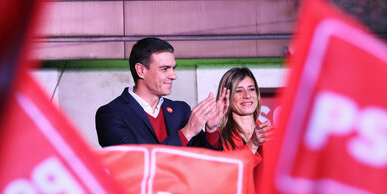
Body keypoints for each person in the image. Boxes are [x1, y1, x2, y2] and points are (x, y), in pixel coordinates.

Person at [96, 37, 229, 149]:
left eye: (173, 68)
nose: (173, 75)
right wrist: (186, 133)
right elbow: (134, 163)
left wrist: (211, 130)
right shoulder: (111, 114)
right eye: (165, 69)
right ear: (141, 70)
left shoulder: (181, 110)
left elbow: (205, 161)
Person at [216, 67, 273, 155]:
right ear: (226, 97)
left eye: (251, 89)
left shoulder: (272, 134)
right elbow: (230, 168)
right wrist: (252, 145)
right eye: (239, 91)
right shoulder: (218, 138)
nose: (247, 95)